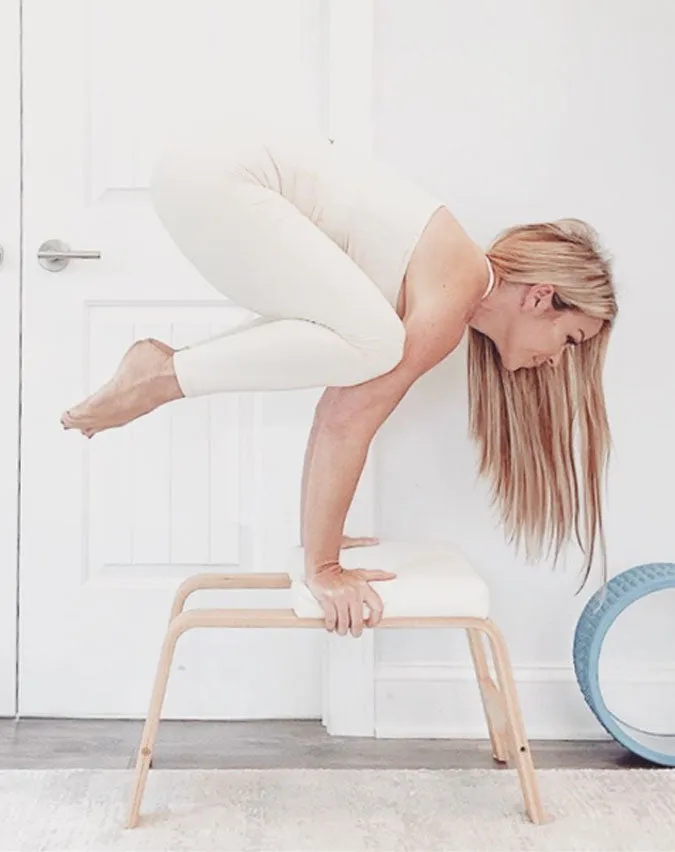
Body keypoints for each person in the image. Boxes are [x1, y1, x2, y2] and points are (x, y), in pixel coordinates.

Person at [60, 116, 618, 637]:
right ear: (542, 296)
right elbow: (348, 421)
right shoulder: (457, 286)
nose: (557, 361)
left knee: (361, 340)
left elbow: (336, 409)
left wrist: (318, 543)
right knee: (375, 344)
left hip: (200, 176)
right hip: (221, 181)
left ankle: (163, 369)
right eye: (570, 340)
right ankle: (161, 373)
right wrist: (325, 568)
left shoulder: (445, 277)